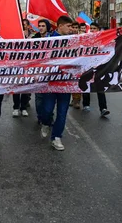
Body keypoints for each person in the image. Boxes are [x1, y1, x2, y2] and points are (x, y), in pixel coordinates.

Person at [40, 15, 73, 151]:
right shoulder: (48, 40)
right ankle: (46, 123)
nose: (71, 29)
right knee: (47, 110)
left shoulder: (74, 41)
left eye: (71, 27)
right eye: (69, 26)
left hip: (66, 82)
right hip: (50, 83)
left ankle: (56, 137)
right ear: (60, 26)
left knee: (62, 112)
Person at [78, 22, 110, 116]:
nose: (92, 30)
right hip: (87, 66)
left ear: (98, 30)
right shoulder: (85, 39)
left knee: (100, 87)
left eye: (94, 28)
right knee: (87, 85)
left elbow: (108, 51)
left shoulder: (103, 40)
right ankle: (86, 104)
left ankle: (103, 108)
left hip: (99, 67)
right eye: (91, 28)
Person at [32, 19, 51, 123]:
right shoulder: (34, 38)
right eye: (39, 25)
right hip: (37, 72)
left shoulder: (53, 38)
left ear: (47, 27)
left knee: (49, 97)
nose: (41, 27)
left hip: (50, 72)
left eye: (43, 25)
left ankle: (48, 117)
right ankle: (40, 116)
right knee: (39, 98)